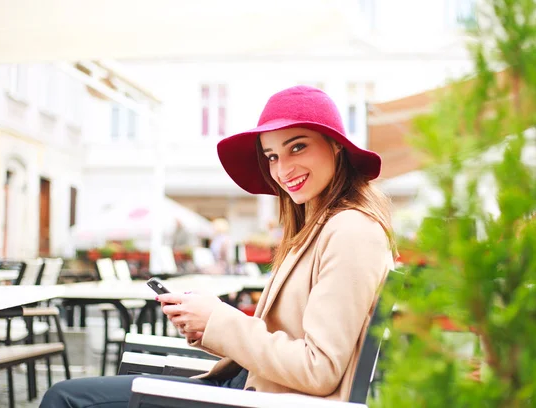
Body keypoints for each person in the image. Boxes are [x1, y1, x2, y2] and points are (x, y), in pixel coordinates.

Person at [40, 85, 396, 407]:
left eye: (297, 146)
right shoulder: (319, 227)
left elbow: (319, 370)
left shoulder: (351, 230)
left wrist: (220, 320)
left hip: (262, 400)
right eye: (271, 156)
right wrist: (207, 325)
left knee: (66, 398)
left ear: (336, 146)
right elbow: (283, 341)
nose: (282, 169)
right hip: (248, 388)